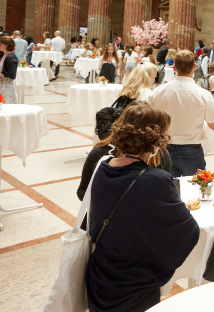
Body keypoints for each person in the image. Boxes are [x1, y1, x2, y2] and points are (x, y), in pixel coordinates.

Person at [85, 102, 199, 312]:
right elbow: (188, 231)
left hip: (100, 277)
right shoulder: (155, 179)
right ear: (156, 142)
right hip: (134, 285)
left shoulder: (102, 167)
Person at [147, 50, 214, 177]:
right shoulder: (203, 94)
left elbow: (149, 119)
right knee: (194, 192)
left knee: (165, 191)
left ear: (174, 68)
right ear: (194, 67)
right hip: (191, 149)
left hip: (164, 147)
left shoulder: (159, 91)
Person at [0, 35, 18, 103]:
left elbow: (12, 74)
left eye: (0, 44)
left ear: (6, 45)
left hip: (8, 87)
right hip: (3, 86)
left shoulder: (10, 57)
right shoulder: (5, 55)